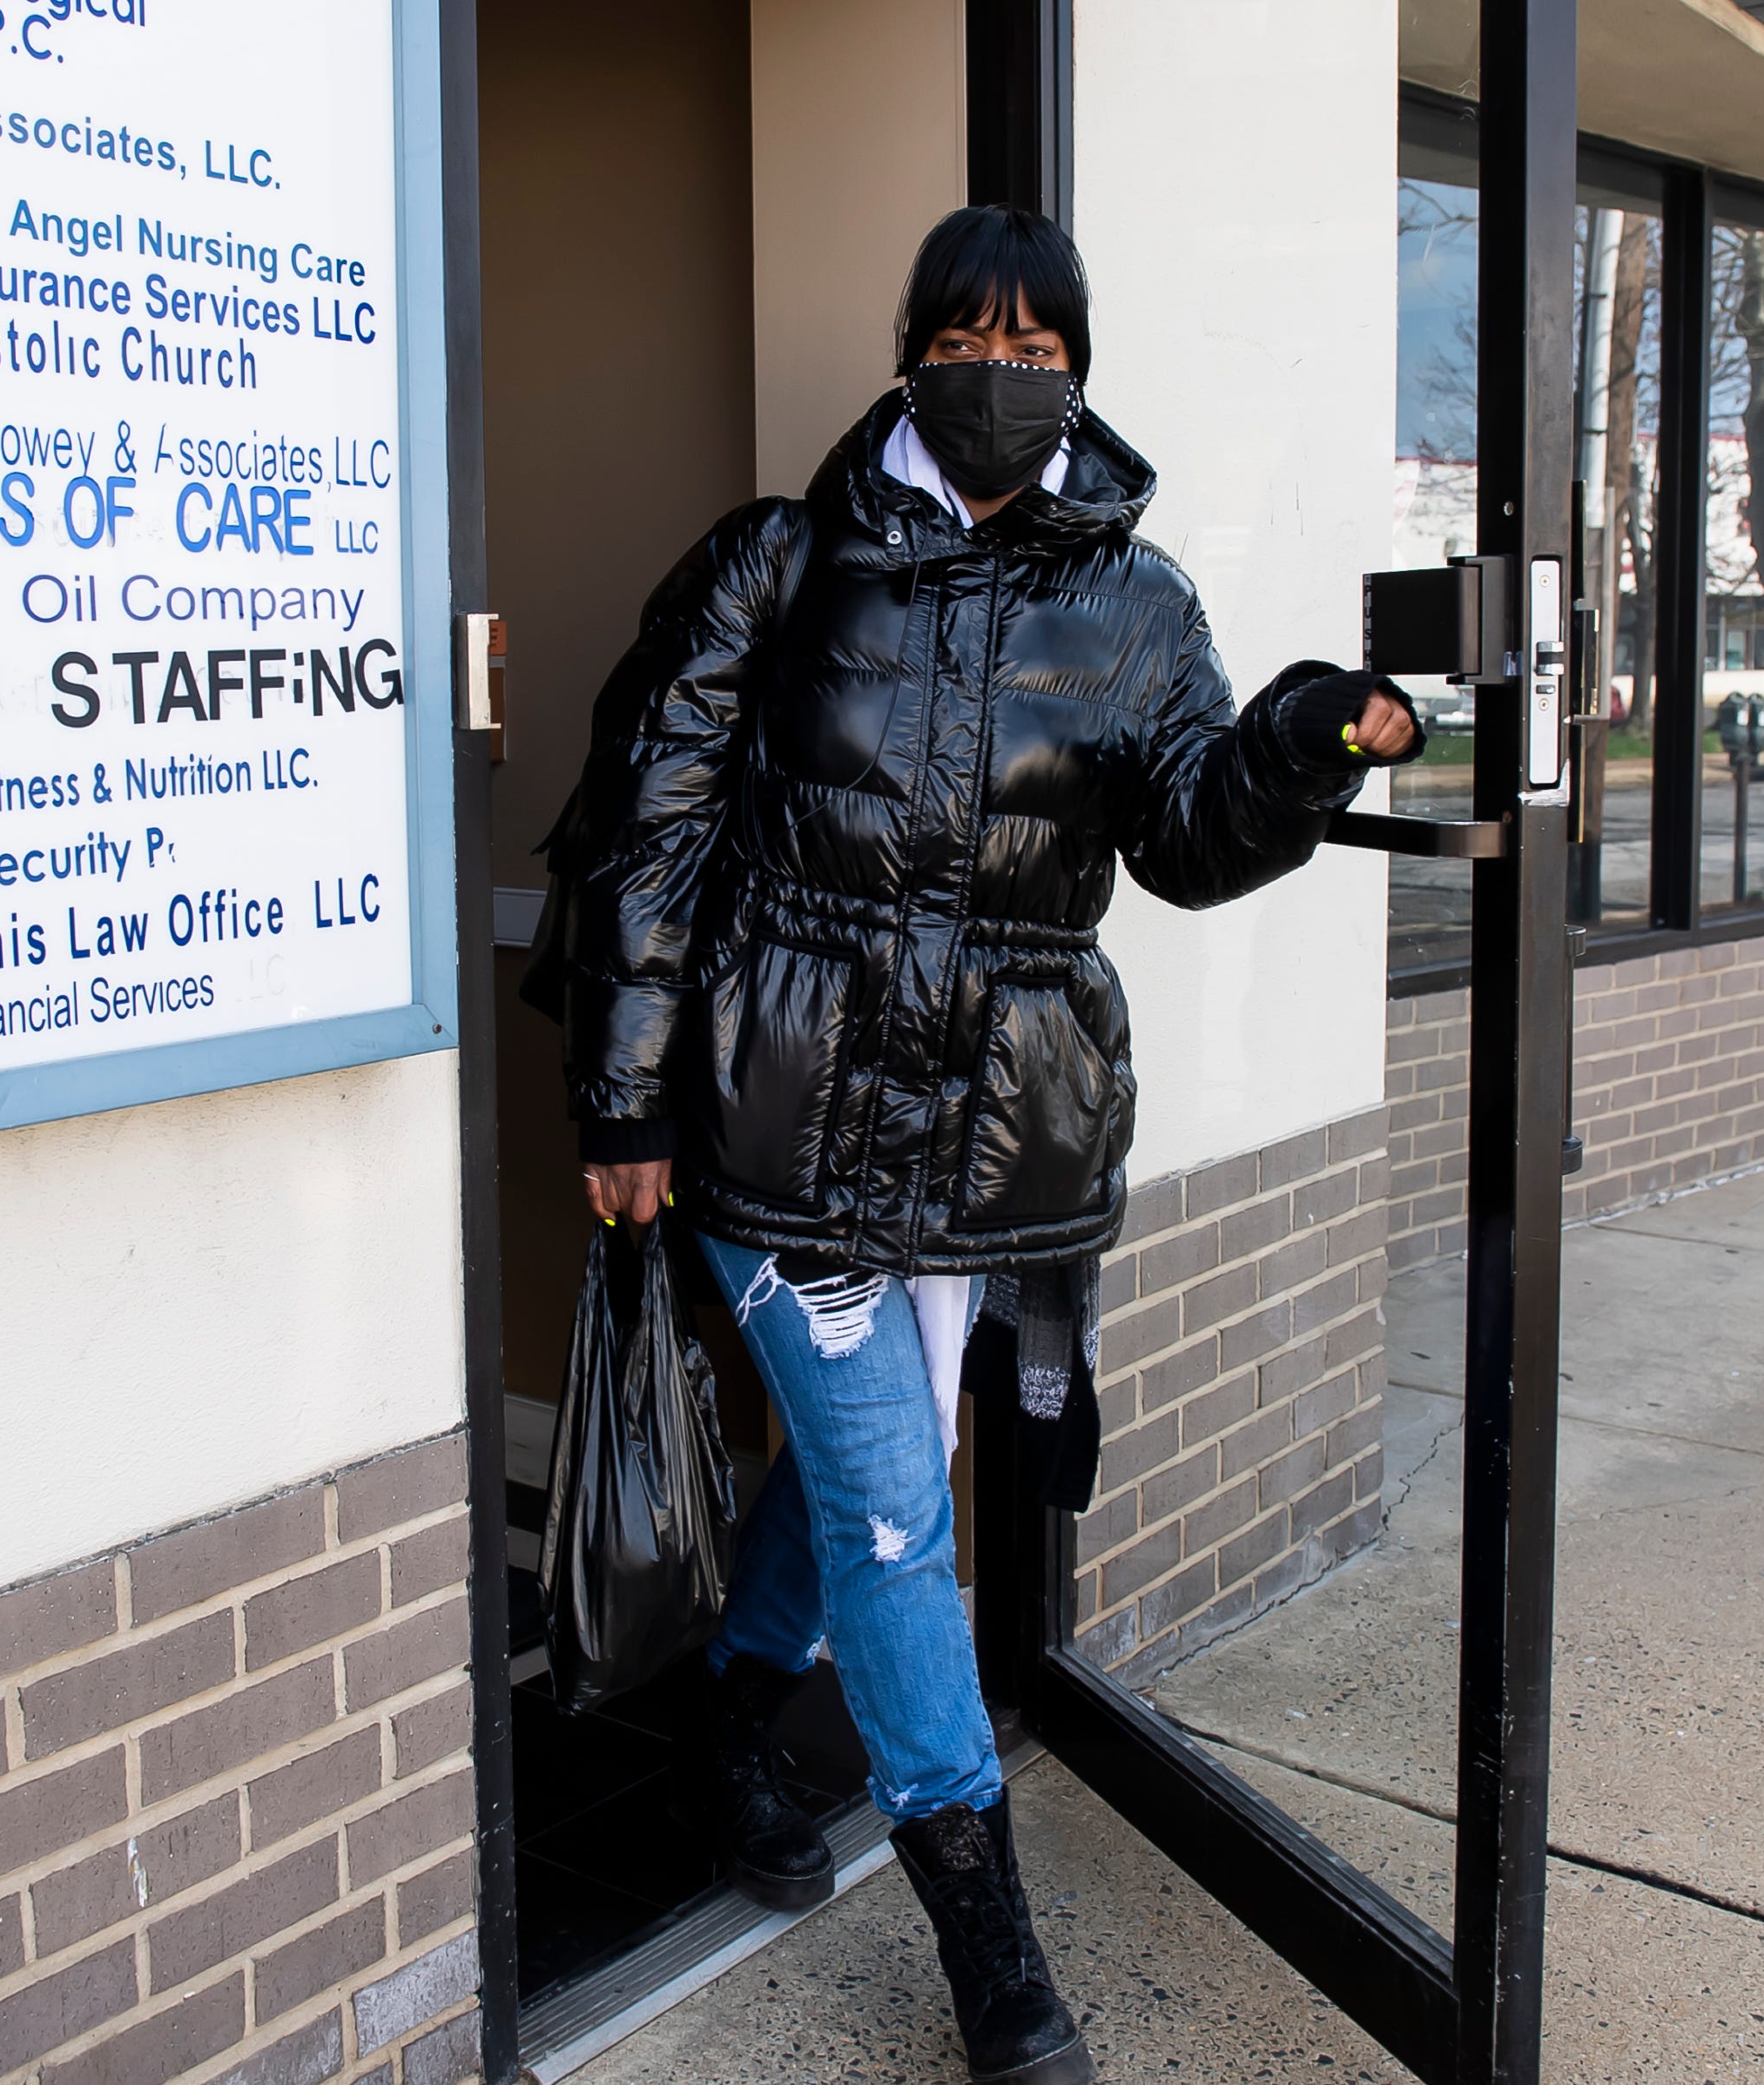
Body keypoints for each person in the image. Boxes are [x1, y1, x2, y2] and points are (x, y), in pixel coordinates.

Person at [540, 205, 1418, 2085]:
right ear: (909, 346)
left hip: (983, 1154)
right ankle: (994, 1955)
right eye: (969, 338)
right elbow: (655, 832)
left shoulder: (1140, 605)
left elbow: (1185, 834)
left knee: (873, 1480)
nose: (1001, 378)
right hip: (774, 1133)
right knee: (889, 1509)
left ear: (1078, 370)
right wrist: (619, 1097)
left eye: (1039, 349)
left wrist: (1298, 744)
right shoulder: (783, 565)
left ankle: (729, 1720)